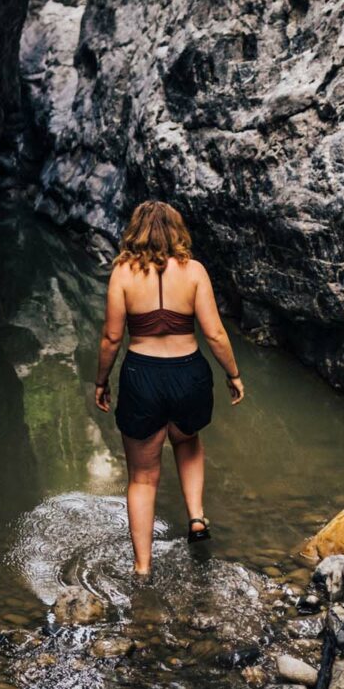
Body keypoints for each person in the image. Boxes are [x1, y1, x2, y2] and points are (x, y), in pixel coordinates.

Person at [93, 199, 245, 578]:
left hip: (142, 376)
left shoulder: (123, 274)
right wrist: (233, 373)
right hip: (188, 374)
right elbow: (214, 333)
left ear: (135, 232)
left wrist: (101, 381)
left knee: (142, 478)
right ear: (177, 232)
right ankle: (195, 516)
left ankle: (143, 567)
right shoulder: (194, 272)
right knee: (187, 439)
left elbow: (112, 338)